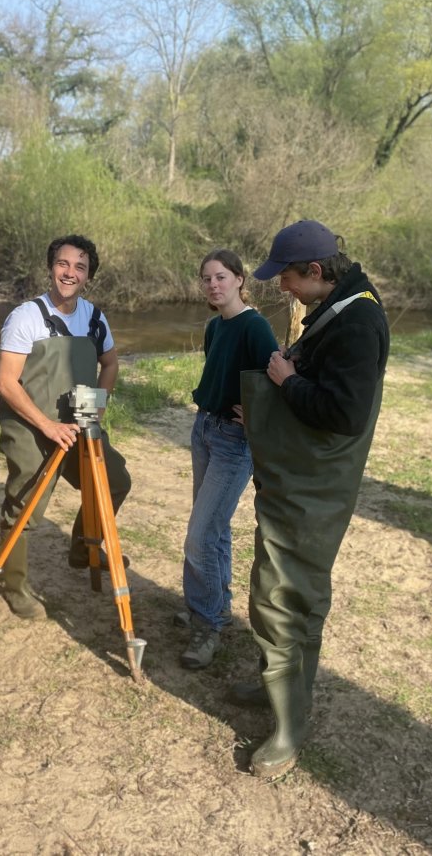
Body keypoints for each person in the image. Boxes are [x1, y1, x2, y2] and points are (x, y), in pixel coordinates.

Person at [236, 219, 389, 779]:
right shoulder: (339, 306)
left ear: (316, 271)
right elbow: (328, 386)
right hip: (301, 479)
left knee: (287, 596)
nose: (284, 289)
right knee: (277, 587)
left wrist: (284, 382)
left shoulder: (360, 321)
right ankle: (276, 690)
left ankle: (287, 727)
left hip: (316, 490)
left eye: (288, 279)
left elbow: (344, 414)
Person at [0, 235, 131, 620]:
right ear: (51, 267)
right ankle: (15, 585)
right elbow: (6, 383)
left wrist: (98, 409)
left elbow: (111, 364)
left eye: (79, 267)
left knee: (114, 482)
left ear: (89, 276)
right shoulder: (25, 317)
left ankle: (82, 547)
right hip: (30, 426)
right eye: (63, 264)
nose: (70, 273)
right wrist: (47, 426)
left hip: (79, 424)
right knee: (24, 506)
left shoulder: (94, 317)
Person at [179, 249, 278, 670]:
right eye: (206, 279)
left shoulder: (255, 327)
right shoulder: (214, 327)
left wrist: (255, 415)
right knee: (213, 530)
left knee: (200, 534)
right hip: (204, 429)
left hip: (234, 443)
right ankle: (212, 610)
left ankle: (208, 624)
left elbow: (276, 378)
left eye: (221, 277)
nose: (213, 285)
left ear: (239, 279)